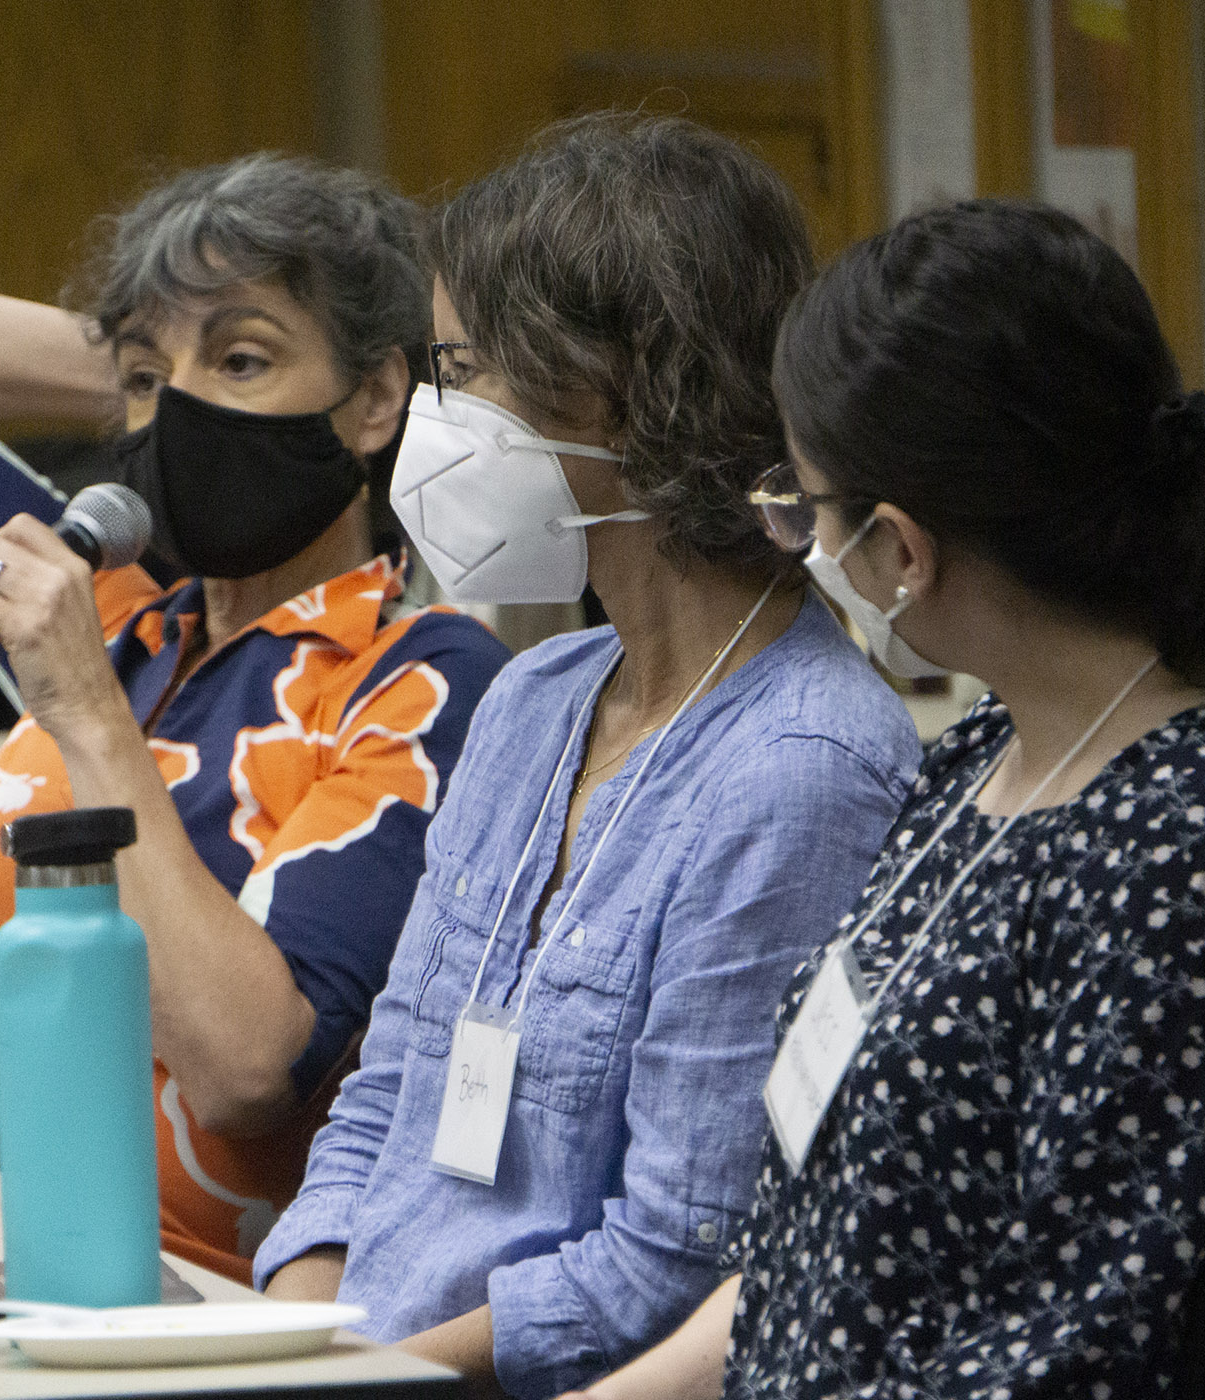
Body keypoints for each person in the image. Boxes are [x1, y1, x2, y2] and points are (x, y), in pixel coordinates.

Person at [251, 114, 923, 1396]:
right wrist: (293, 1337)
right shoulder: (536, 696)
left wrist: (369, 1373)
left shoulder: (802, 767)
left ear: (611, 385)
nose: (432, 420)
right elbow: (384, 1096)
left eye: (459, 368)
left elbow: (677, 1259)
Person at [570, 201, 1205, 1400]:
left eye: (803, 508)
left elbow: (1070, 1343)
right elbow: (803, 1250)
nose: (798, 542)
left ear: (900, 547)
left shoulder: (1193, 837)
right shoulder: (983, 747)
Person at [0, 154, 510, 1283]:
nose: (175, 408)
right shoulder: (124, 621)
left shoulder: (420, 677)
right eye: (142, 383)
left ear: (374, 399)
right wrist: (167, 351)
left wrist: (86, 712)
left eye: (245, 360)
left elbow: (244, 1069)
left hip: (150, 1282)